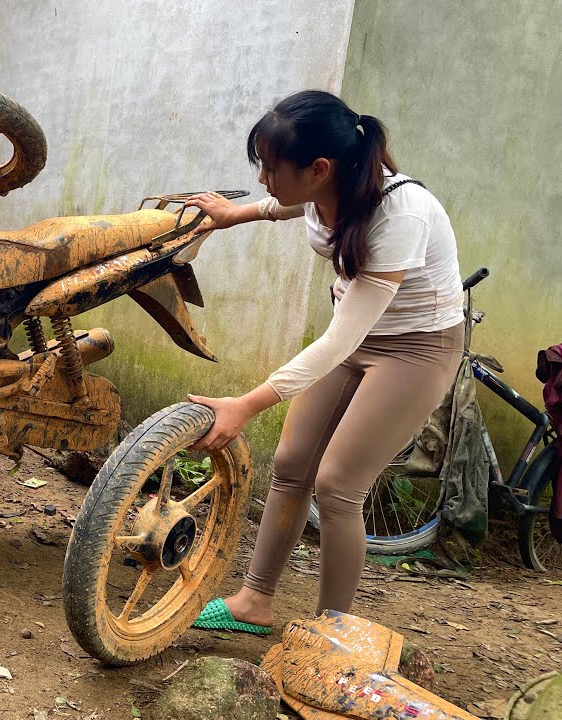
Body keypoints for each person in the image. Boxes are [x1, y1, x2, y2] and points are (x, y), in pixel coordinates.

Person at [184, 90, 464, 633]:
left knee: (338, 486)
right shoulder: (324, 189)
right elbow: (287, 203)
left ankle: (332, 630)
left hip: (417, 348)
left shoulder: (400, 215)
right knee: (292, 465)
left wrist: (247, 403)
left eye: (271, 167)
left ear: (318, 168)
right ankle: (254, 601)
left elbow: (337, 342)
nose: (264, 177)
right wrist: (231, 214)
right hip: (358, 335)